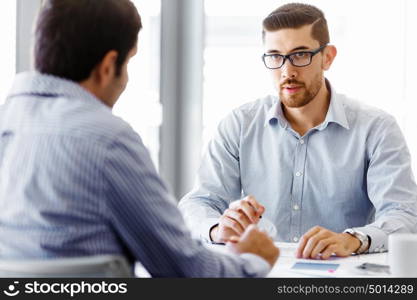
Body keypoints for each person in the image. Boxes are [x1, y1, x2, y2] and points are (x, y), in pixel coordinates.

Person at [0, 0, 279, 277]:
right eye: (129, 62)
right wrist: (253, 261)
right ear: (109, 65)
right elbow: (183, 269)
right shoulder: (107, 140)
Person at [179, 2, 417, 260]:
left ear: (327, 57)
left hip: (338, 278)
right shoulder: (239, 124)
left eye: (300, 55)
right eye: (275, 56)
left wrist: (352, 240)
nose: (287, 71)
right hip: (259, 273)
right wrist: (217, 229)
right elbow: (197, 203)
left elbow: (404, 214)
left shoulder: (376, 129)